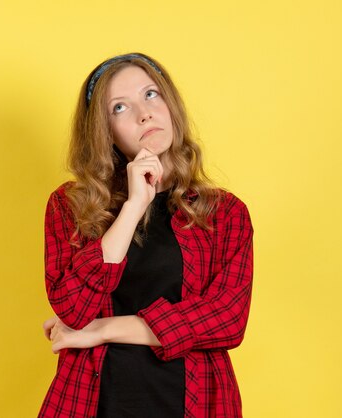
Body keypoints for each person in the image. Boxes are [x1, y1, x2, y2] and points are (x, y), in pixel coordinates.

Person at [38, 53, 254, 418]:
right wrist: (135, 205)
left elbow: (227, 319)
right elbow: (74, 310)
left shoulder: (224, 213)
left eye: (151, 95)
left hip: (194, 401)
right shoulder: (70, 206)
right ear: (103, 132)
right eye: (120, 107)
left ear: (170, 105)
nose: (144, 113)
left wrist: (102, 330)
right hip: (92, 400)